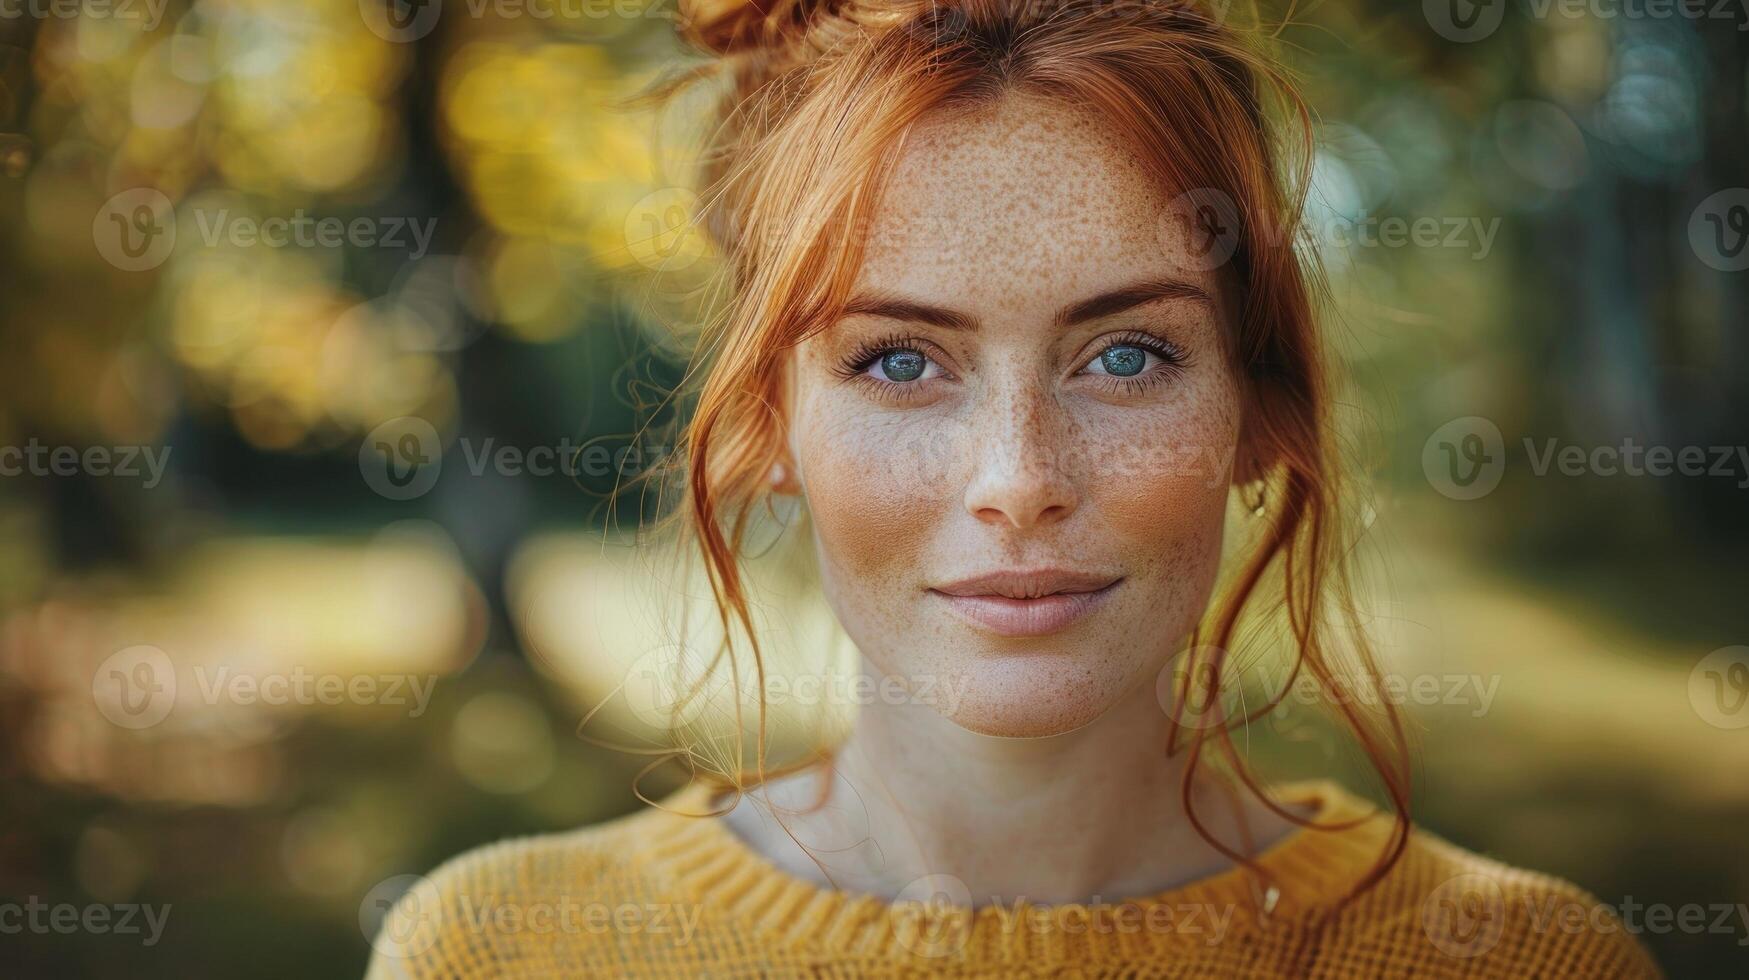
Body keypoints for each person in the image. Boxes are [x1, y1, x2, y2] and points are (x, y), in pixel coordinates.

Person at [367, 1, 1662, 975]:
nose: (1018, 480)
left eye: (1125, 354)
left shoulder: (1518, 960)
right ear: (768, 424)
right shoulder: (496, 951)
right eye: (898, 360)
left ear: (1259, 412)